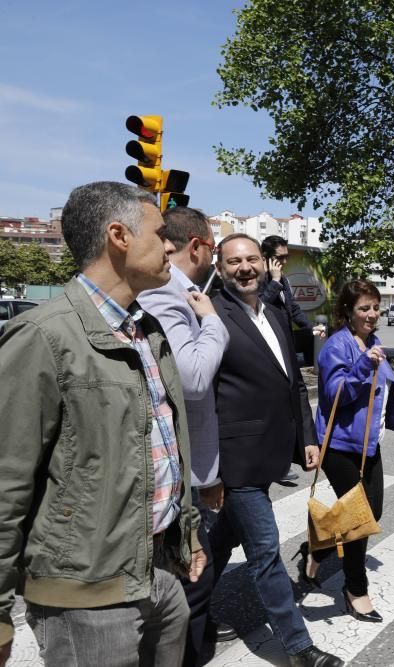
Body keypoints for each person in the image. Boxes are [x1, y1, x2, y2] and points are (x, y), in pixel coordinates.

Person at [0, 182, 205, 666]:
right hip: (85, 593)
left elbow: (165, 445)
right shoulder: (42, 335)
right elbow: (6, 481)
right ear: (119, 236)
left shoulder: (146, 330)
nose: (171, 247)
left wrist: (187, 534)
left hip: (159, 572)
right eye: (159, 234)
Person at [208, 234, 341, 667]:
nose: (244, 268)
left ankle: (186, 607)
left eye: (251, 259)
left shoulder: (277, 311)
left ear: (263, 263)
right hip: (236, 458)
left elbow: (293, 383)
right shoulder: (212, 314)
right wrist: (210, 469)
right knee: (265, 551)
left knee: (218, 544)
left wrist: (305, 435)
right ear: (220, 266)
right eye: (234, 262)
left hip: (271, 451)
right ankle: (300, 649)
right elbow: (203, 393)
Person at [137, 206, 235, 663]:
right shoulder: (168, 296)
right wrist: (212, 320)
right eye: (215, 249)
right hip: (175, 470)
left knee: (197, 573)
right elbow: (193, 380)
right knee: (191, 581)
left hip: (191, 465)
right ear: (197, 245)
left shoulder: (186, 292)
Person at [299, 278, 394, 624]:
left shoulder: (373, 340)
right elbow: (334, 395)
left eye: (376, 307)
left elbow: (388, 381)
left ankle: (317, 547)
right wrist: (364, 364)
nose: (372, 314)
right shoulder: (337, 346)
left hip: (368, 445)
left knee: (371, 511)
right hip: (338, 446)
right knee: (361, 519)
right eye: (364, 308)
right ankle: (355, 590)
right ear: (348, 311)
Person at [259, 235, 324, 484]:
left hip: (286, 347)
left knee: (296, 401)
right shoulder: (260, 280)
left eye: (286, 257)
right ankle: (277, 462)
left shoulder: (282, 279)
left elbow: (293, 309)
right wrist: (274, 282)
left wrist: (310, 329)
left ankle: (292, 454)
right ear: (267, 257)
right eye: (280, 258)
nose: (284, 262)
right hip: (268, 351)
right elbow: (260, 307)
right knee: (277, 406)